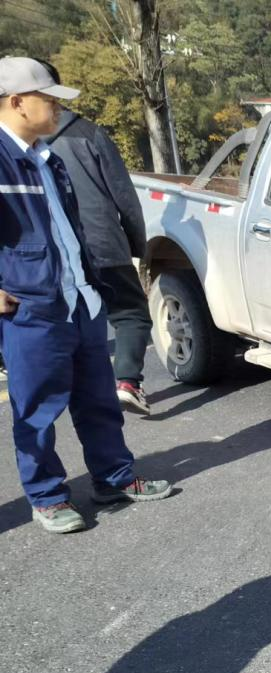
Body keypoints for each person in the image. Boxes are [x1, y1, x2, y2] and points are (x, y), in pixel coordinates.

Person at [0, 57, 171, 534]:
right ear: (16, 102)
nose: (57, 108)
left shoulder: (47, 158)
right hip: (32, 308)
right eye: (48, 99)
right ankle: (48, 496)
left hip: (80, 299)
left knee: (98, 398)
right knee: (36, 410)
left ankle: (114, 478)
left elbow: (68, 230)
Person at [38, 60, 153, 414]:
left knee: (76, 324)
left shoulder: (14, 146)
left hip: (49, 256)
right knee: (131, 312)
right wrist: (138, 245)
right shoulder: (89, 134)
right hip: (103, 244)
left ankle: (78, 392)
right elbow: (123, 195)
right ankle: (127, 383)